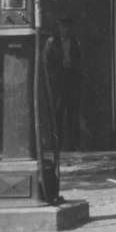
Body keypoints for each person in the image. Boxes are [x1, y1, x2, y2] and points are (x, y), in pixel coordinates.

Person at [43, 17, 83, 151]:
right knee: (57, 112)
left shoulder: (75, 42)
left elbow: (79, 59)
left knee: (73, 111)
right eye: (62, 26)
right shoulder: (52, 42)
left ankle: (72, 144)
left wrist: (74, 68)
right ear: (58, 27)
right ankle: (56, 145)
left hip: (71, 78)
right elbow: (47, 62)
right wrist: (53, 76)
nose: (64, 30)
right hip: (58, 80)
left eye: (67, 27)